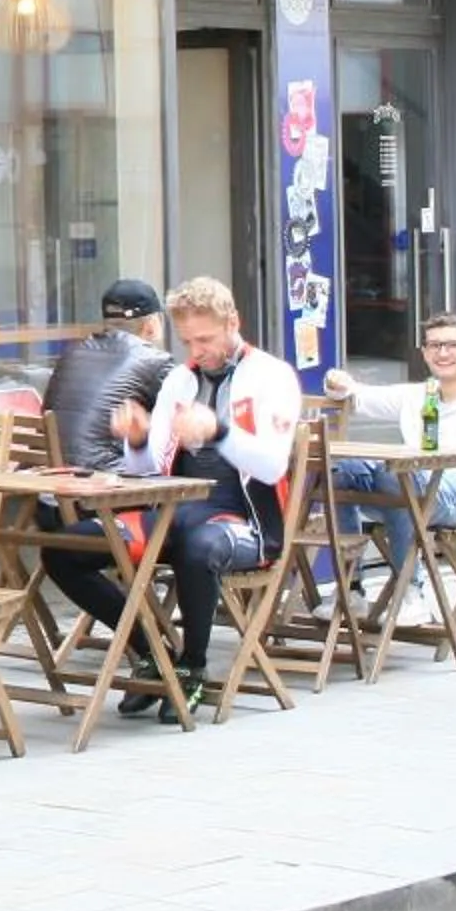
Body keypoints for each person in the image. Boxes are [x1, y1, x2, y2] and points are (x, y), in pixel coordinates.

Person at [120, 276, 299, 725]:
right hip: (174, 511)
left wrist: (218, 432)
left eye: (205, 339)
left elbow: (272, 467)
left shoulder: (271, 375)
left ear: (232, 322)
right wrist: (137, 440)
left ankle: (193, 665)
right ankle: (153, 653)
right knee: (68, 547)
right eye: (187, 341)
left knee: (197, 547)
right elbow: (147, 468)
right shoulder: (180, 380)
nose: (196, 351)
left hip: (245, 518)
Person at [324, 312, 456, 628]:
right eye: (434, 346)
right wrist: (338, 383)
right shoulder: (421, 395)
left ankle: (411, 594)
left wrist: (418, 468)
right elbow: (359, 398)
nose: (443, 353)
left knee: (399, 478)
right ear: (425, 353)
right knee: (339, 470)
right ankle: (351, 587)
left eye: (452, 345)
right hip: (407, 488)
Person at [32, 279, 175, 632]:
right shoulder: (156, 361)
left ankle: (149, 633)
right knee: (186, 512)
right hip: (104, 507)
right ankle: (155, 636)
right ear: (151, 324)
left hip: (48, 506)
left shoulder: (71, 354)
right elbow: (183, 430)